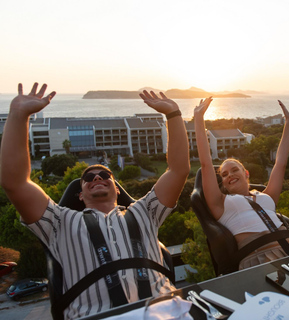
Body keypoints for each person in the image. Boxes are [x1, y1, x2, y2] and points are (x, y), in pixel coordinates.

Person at [0, 83, 190, 319]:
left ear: (117, 190)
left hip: (165, 310)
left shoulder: (145, 212)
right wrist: (18, 116)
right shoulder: (59, 222)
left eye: (105, 175)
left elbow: (179, 170)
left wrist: (173, 114)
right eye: (88, 178)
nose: (97, 177)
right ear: (80, 195)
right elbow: (15, 183)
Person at [194, 96, 289, 270]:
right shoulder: (221, 203)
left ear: (246, 173)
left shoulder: (267, 196)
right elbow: (206, 163)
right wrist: (198, 119)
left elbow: (280, 163)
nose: (229, 175)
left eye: (234, 169)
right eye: (224, 174)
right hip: (260, 258)